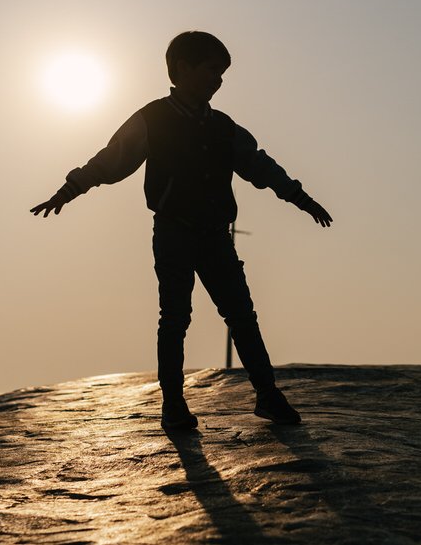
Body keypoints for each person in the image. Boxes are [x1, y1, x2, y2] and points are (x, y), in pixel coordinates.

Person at [30, 31, 332, 429]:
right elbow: (112, 160)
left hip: (215, 237)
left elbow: (261, 166)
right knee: (174, 318)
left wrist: (301, 198)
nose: (218, 80)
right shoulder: (152, 119)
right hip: (173, 232)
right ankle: (173, 404)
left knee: (242, 316)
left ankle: (268, 395)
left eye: (222, 73)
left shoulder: (224, 127)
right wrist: (69, 190)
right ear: (182, 69)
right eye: (212, 70)